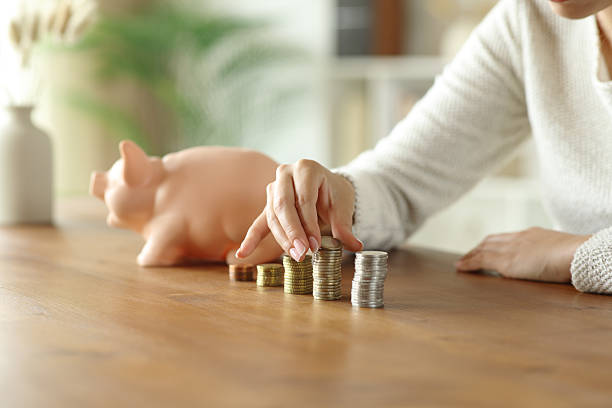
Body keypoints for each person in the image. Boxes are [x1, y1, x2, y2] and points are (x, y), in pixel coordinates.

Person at [236, 0, 612, 295]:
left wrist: (578, 254)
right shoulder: (529, 20)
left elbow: (581, 256)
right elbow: (400, 181)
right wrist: (340, 194)